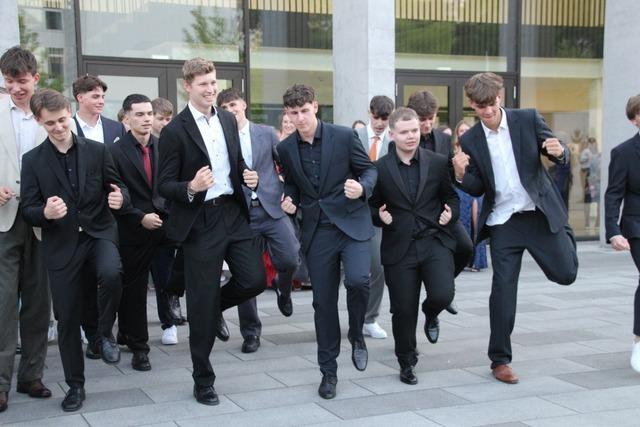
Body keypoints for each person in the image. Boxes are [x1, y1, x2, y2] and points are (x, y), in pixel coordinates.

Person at [452, 72, 578, 384]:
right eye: (480, 106)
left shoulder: (527, 119)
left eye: (491, 103)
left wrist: (560, 151)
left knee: (566, 273)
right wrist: (460, 175)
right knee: (503, 289)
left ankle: (564, 231)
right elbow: (478, 186)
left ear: (500, 97)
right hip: (503, 222)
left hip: (536, 214)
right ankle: (500, 360)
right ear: (472, 105)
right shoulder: (470, 139)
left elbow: (556, 150)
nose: (487, 110)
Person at [157, 58, 265, 406]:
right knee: (201, 302)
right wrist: (190, 186)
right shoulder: (175, 131)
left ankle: (212, 307)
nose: (210, 89)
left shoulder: (228, 120)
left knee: (254, 279)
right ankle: (203, 379)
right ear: (187, 86)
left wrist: (248, 175)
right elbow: (164, 185)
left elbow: (236, 163)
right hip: (200, 220)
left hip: (233, 212)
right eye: (203, 84)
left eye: (213, 82)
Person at [21, 88, 130, 411]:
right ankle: (75, 386)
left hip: (98, 233)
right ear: (39, 122)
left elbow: (118, 186)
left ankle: (102, 334)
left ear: (69, 113)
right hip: (61, 243)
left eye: (62, 120)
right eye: (50, 123)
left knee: (112, 273)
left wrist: (120, 197)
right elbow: (28, 209)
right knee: (67, 317)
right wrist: (45, 212)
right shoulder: (33, 160)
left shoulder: (97, 150)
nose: (58, 127)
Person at [277, 84, 377, 400]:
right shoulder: (285, 148)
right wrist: (290, 199)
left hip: (351, 223)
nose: (300, 118)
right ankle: (328, 372)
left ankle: (357, 333)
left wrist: (361, 188)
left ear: (315, 107)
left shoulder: (344, 136)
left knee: (359, 281)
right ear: (287, 114)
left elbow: (369, 171)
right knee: (323, 303)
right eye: (294, 113)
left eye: (304, 111)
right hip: (317, 230)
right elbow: (292, 185)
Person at [370, 107, 458, 385]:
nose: (411, 136)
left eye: (414, 131)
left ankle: (431, 313)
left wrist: (451, 213)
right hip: (399, 248)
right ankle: (406, 362)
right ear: (392, 134)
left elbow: (451, 197)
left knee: (443, 294)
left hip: (434, 242)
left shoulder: (437, 162)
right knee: (403, 311)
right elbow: (371, 206)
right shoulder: (380, 169)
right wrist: (379, 217)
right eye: (404, 132)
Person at [217, 87, 300, 354]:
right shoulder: (220, 138)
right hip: (242, 216)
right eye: (225, 107)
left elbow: (286, 166)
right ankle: (251, 331)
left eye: (234, 104)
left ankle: (283, 289)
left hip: (272, 209)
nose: (231, 110)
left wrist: (289, 194)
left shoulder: (266, 133)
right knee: (247, 275)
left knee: (290, 257)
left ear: (243, 104)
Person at [0, 46, 51, 413]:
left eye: (21, 81)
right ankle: (0, 382)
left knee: (37, 304)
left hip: (43, 223)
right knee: (3, 304)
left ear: (36, 78)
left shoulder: (51, 114)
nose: (15, 88)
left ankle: (31, 375)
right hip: (4, 221)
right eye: (8, 82)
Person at [107, 94, 175, 370]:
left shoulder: (165, 146)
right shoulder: (114, 152)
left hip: (164, 225)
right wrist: (139, 217)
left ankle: (135, 330)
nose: (146, 119)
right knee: (134, 291)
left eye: (149, 114)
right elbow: (115, 193)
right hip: (132, 228)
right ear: (126, 118)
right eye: (140, 114)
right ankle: (139, 348)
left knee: (170, 280)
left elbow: (170, 185)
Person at [407, 90, 473, 314]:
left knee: (466, 247)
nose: (427, 124)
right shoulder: (403, 140)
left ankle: (444, 287)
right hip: (414, 214)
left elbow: (450, 178)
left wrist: (459, 172)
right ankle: (440, 291)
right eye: (422, 119)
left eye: (430, 118)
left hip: (441, 209)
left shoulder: (444, 140)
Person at [604, 94, 640, 373]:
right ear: (634, 119)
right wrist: (613, 231)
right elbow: (613, 194)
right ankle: (639, 341)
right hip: (637, 226)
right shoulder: (624, 153)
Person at [355, 95, 394, 340]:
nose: (380, 123)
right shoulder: (354, 137)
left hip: (379, 211)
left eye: (385, 119)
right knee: (351, 272)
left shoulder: (393, 141)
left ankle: (369, 318)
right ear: (369, 113)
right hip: (353, 208)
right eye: (377, 117)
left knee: (378, 266)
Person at [149, 96, 185, 345]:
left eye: (168, 119)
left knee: (168, 272)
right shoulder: (140, 144)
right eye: (160, 118)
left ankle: (170, 319)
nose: (164, 123)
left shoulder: (173, 143)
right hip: (143, 215)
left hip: (169, 214)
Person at [453, 120, 487, 271]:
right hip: (459, 190)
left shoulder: (477, 149)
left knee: (476, 222)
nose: (464, 133)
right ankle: (464, 259)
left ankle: (477, 261)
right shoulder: (454, 151)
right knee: (464, 223)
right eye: (461, 131)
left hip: (475, 190)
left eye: (467, 130)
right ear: (457, 134)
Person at [72, 75, 126, 144]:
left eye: (102, 97)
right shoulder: (67, 128)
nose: (101, 102)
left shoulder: (118, 128)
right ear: (80, 98)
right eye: (95, 97)